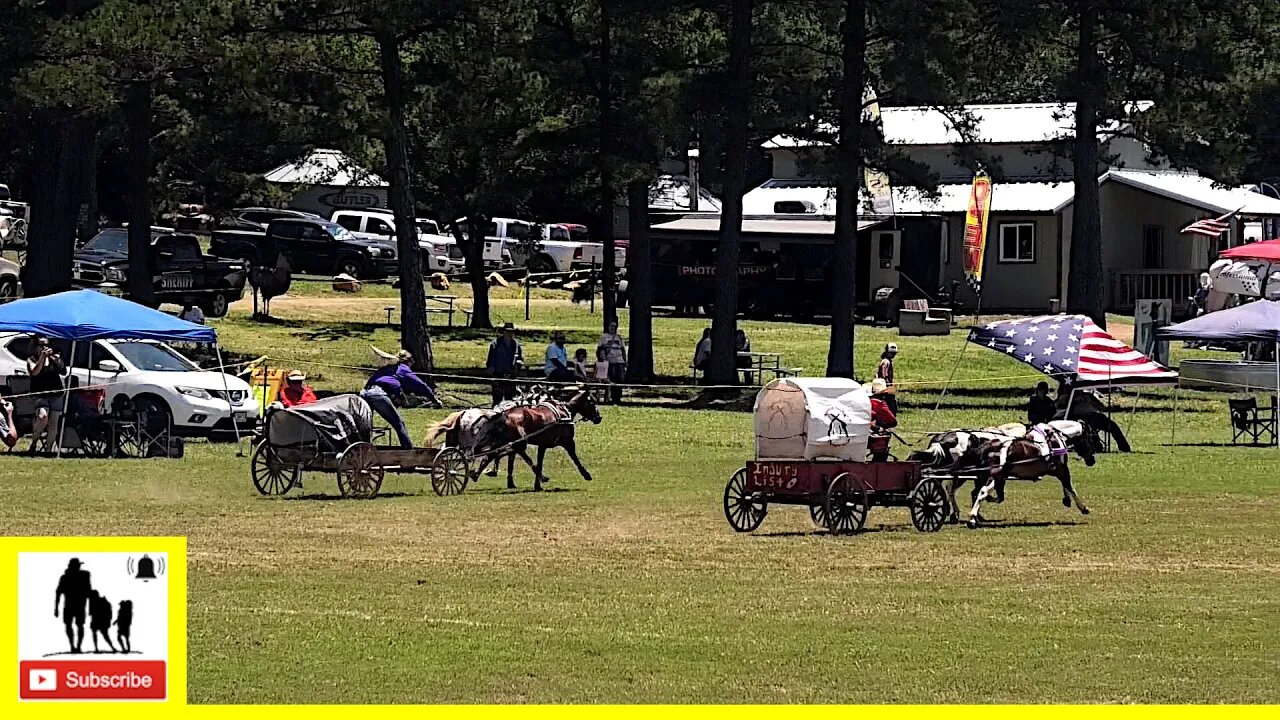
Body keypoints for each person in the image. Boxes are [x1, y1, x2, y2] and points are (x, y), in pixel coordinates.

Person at [362, 349, 440, 449]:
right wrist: (434, 399)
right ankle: (408, 452)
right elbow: (421, 385)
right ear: (408, 361)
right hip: (377, 394)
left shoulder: (388, 368)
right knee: (399, 424)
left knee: (366, 426)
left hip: (364, 393)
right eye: (412, 361)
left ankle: (363, 448)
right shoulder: (403, 369)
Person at [1056, 384, 1132, 453]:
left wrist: (1093, 402)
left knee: (1113, 426)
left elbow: (1101, 407)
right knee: (1086, 428)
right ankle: (1094, 447)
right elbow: (1059, 407)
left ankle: (1124, 448)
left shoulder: (1088, 395)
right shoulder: (1067, 398)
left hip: (1094, 416)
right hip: (1079, 419)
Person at [27, 335, 66, 453]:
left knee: (54, 422)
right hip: (39, 395)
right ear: (36, 347)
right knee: (42, 417)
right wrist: (42, 358)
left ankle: (48, 449)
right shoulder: (31, 359)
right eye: (42, 345)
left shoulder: (54, 357)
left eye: (47, 345)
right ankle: (34, 442)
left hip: (56, 393)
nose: (45, 347)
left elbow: (63, 371)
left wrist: (55, 359)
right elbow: (34, 372)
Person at [55, 558, 92, 654]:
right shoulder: (83, 576)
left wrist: (56, 607)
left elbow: (58, 592)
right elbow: (58, 592)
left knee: (76, 625)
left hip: (75, 605)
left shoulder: (83, 575)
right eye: (78, 565)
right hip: (75, 605)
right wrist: (56, 607)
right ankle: (74, 646)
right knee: (74, 625)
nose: (79, 566)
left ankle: (76, 646)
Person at [485, 322, 524, 406]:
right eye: (507, 331)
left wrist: (518, 365)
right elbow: (491, 359)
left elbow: (520, 359)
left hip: (511, 375)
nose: (509, 334)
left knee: (510, 400)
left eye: (511, 332)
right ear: (504, 332)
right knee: (497, 399)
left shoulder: (516, 345)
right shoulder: (495, 344)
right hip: (498, 374)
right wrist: (491, 369)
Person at [597, 320, 627, 404]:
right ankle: (611, 397)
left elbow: (623, 350)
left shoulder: (619, 338)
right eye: (611, 326)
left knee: (620, 379)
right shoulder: (604, 337)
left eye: (615, 327)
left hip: (619, 361)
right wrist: (602, 360)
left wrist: (625, 361)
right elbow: (600, 349)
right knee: (612, 379)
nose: (613, 328)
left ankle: (618, 398)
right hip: (610, 361)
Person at [875, 343, 898, 414]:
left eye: (894, 353)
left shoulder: (888, 361)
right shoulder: (886, 362)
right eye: (891, 353)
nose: (893, 355)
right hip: (883, 385)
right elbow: (884, 374)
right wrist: (887, 384)